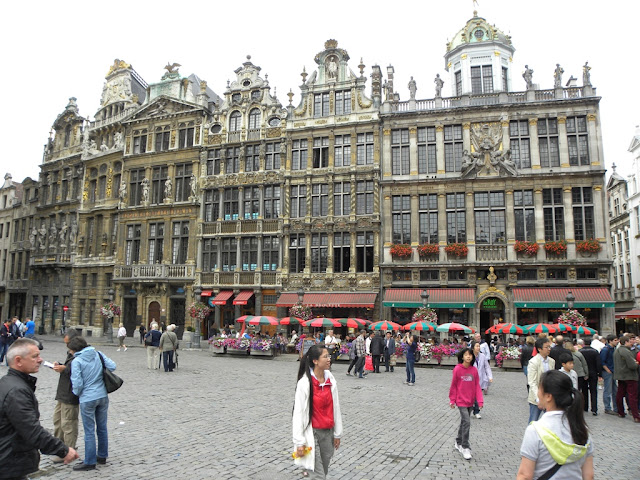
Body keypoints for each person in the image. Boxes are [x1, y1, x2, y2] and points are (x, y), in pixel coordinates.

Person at [0, 339, 79, 477]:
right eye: (35, 356)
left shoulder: (8, 383)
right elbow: (31, 429)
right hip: (10, 464)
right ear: (18, 361)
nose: (40, 360)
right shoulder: (17, 391)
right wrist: (63, 450)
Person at [517, 370, 593, 480]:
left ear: (548, 396)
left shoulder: (535, 430)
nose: (538, 393)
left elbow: (524, 476)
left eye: (539, 389)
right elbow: (589, 475)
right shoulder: (583, 430)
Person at [292, 345, 343, 479]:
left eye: (329, 356)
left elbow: (335, 407)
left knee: (323, 471)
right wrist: (299, 442)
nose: (329, 359)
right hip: (311, 434)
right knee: (318, 476)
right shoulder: (305, 383)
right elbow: (298, 413)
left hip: (328, 434)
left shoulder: (330, 379)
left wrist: (337, 433)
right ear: (315, 361)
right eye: (325, 356)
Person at [69, 336, 116, 471]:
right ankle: (102, 455)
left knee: (89, 430)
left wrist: (78, 393)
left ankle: (89, 461)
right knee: (102, 427)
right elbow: (113, 366)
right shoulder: (98, 354)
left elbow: (77, 384)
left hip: (87, 398)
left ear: (75, 349)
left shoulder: (77, 361)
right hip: (102, 395)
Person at [51, 329, 81, 462]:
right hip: (62, 392)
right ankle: (59, 448)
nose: (66, 347)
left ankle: (69, 451)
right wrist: (62, 367)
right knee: (58, 421)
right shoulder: (71, 353)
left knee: (68, 423)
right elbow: (69, 368)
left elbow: (79, 371)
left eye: (68, 344)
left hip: (70, 394)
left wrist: (65, 369)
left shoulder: (80, 355)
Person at [449, 347, 483, 461]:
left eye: (470, 355)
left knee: (464, 421)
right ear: (462, 356)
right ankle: (465, 446)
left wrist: (480, 400)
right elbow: (454, 385)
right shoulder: (457, 369)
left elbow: (477, 386)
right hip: (460, 401)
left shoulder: (474, 370)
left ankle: (458, 441)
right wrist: (452, 399)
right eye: (466, 355)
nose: (468, 356)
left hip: (471, 401)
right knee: (467, 421)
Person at [527, 337, 555, 423]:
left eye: (549, 347)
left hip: (549, 396)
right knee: (533, 421)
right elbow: (532, 382)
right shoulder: (533, 362)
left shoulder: (552, 361)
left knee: (551, 421)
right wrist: (538, 398)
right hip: (537, 397)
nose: (549, 349)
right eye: (546, 347)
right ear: (539, 349)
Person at [613, 335, 640, 422]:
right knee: (632, 396)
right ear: (626, 342)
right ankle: (636, 415)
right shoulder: (626, 351)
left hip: (621, 376)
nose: (632, 342)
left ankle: (620, 411)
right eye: (630, 340)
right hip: (629, 376)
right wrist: (636, 363)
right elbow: (632, 365)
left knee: (620, 394)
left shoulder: (617, 351)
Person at [578, 337, 601, 416]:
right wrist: (599, 373)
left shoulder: (580, 351)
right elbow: (598, 363)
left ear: (583, 342)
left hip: (584, 373)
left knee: (584, 390)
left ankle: (585, 406)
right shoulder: (595, 352)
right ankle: (594, 408)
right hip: (593, 372)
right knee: (593, 391)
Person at [471, 341, 493, 419]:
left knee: (477, 395)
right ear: (473, 347)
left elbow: (487, 367)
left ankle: (476, 411)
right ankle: (470, 408)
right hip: (471, 379)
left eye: (479, 346)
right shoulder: (469, 356)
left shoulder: (483, 356)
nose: (478, 348)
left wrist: (490, 376)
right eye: (477, 346)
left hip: (480, 378)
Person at [565, 340, 589, 406]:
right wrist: (586, 374)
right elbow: (584, 364)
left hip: (570, 374)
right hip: (580, 374)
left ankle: (573, 404)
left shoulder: (565, 355)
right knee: (580, 391)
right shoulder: (578, 354)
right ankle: (583, 405)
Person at [600, 334, 618, 415]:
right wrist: (607, 370)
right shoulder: (605, 349)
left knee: (615, 390)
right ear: (610, 341)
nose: (617, 341)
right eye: (615, 340)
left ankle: (616, 407)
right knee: (608, 390)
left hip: (613, 371)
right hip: (608, 372)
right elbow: (602, 361)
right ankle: (607, 407)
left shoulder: (614, 348)